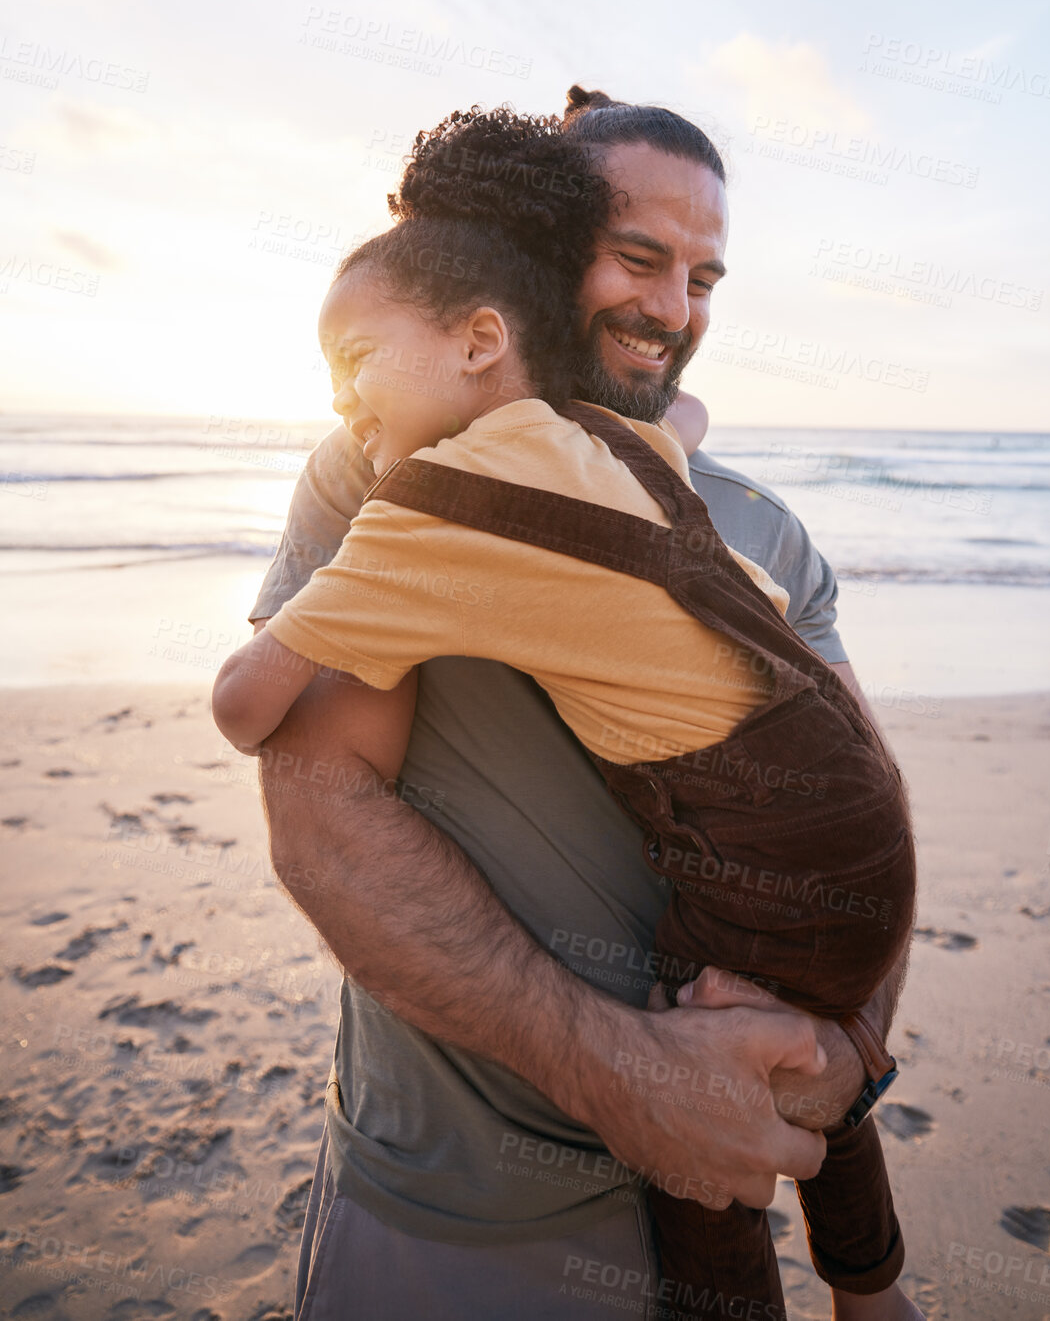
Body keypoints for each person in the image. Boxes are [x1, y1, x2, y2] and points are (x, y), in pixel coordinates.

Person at [244, 91, 921, 1320]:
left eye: (704, 276)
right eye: (641, 259)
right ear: (539, 256)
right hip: (460, 1215)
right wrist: (635, 1082)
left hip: (723, 1188)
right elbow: (319, 813)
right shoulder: (387, 474)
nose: (673, 309)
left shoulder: (758, 526)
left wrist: (845, 1057)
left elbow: (860, 807)